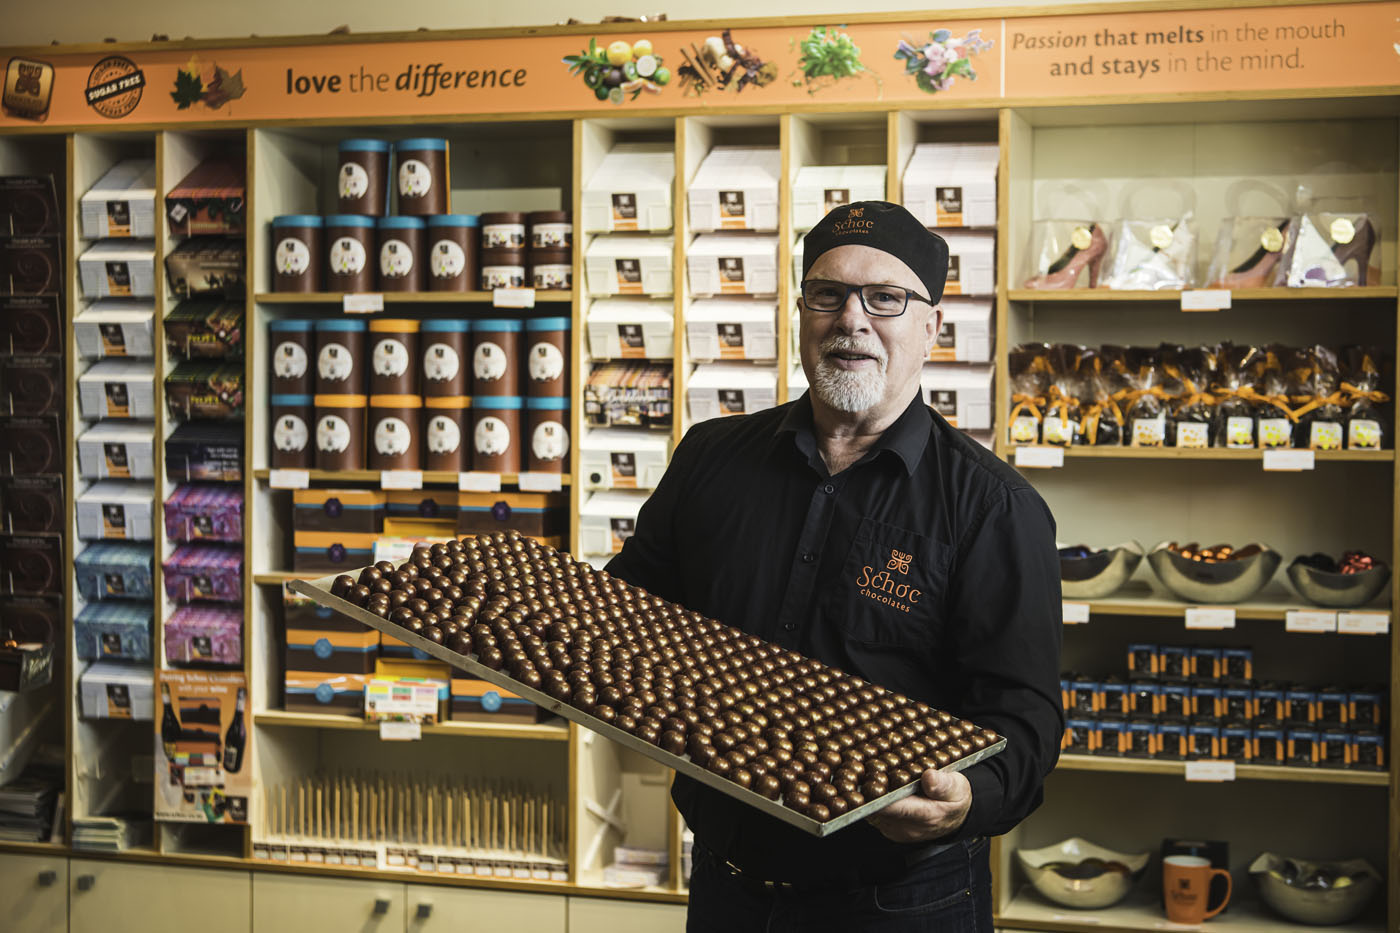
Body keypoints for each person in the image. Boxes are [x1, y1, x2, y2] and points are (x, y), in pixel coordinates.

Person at [607, 201, 1063, 932]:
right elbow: (626, 611)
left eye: (885, 298)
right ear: (800, 312)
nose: (852, 318)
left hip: (900, 901)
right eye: (828, 293)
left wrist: (969, 795)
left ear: (930, 327)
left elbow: (1026, 719)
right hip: (726, 886)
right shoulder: (710, 460)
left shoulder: (993, 509)